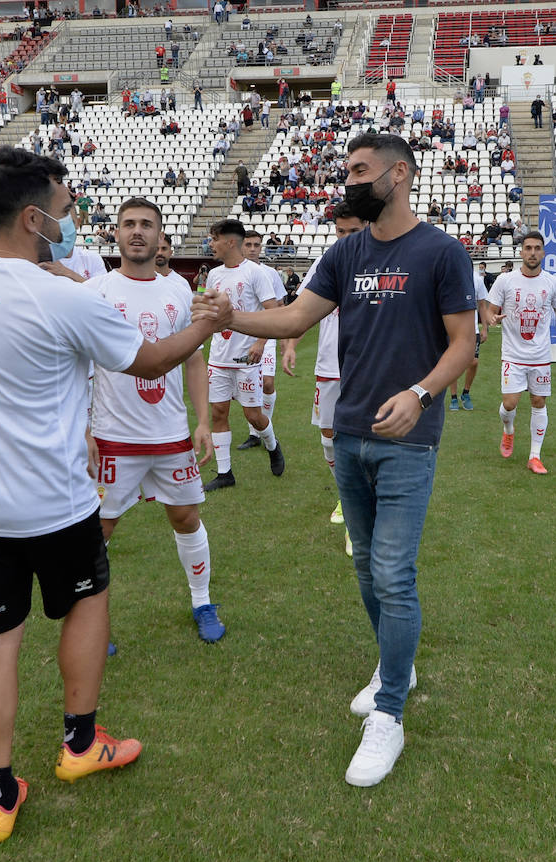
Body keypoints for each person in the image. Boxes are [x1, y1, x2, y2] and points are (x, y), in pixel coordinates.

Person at [0, 147, 226, 844]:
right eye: (64, 211)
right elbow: (148, 359)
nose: (72, 223)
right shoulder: (57, 293)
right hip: (50, 498)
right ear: (32, 217)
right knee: (88, 601)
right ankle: (80, 744)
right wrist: (207, 324)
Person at [192, 133, 477, 788]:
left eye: (359, 170)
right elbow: (294, 320)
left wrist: (421, 391)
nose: (347, 179)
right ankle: (393, 662)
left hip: (409, 437)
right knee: (366, 570)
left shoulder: (440, 250)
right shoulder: (345, 251)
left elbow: (464, 342)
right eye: (346, 169)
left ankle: (390, 711)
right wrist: (229, 318)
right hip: (348, 433)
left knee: (393, 571)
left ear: (398, 174)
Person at [85, 198, 224, 643]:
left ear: (161, 236)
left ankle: (202, 601)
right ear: (117, 233)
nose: (137, 231)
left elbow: (194, 359)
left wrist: (203, 421)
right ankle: (94, 622)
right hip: (112, 435)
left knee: (186, 517)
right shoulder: (96, 293)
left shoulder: (178, 291)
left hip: (169, 434)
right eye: (128, 224)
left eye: (147, 224)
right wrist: (83, 428)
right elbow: (76, 368)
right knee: (100, 529)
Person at [282, 203, 366, 556]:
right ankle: (346, 498)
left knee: (365, 440)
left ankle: (356, 516)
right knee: (329, 439)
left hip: (368, 366)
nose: (345, 239)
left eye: (353, 232)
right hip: (330, 365)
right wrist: (290, 346)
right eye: (340, 232)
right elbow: (304, 308)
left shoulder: (382, 261)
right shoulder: (328, 261)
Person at [481, 233, 556, 474]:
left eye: (537, 248)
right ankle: (508, 431)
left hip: (540, 356)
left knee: (538, 401)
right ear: (521, 252)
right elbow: (488, 311)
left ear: (543, 252)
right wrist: (492, 318)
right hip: (513, 355)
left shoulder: (552, 283)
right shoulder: (505, 280)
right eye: (528, 248)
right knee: (509, 403)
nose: (532, 252)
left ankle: (534, 457)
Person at [201, 218, 285, 491]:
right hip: (219, 358)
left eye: (213, 239)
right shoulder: (214, 275)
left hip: (246, 359)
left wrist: (260, 342)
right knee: (218, 412)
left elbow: (273, 312)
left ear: (229, 242)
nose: (210, 244)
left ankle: (272, 445)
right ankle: (225, 473)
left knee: (253, 415)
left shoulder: (255, 273)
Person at [234, 231, 289, 452]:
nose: (253, 248)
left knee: (266, 383)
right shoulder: (235, 273)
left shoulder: (270, 274)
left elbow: (280, 307)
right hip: (242, 338)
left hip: (266, 336)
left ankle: (265, 427)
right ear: (241, 247)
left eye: (257, 245)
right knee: (249, 388)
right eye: (248, 244)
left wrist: (284, 338)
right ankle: (254, 433)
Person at [448, 262, 490, 411]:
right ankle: (453, 397)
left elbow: (482, 306)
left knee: (473, 362)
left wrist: (484, 328)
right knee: (453, 363)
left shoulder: (477, 280)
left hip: (472, 330)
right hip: (453, 329)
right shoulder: (450, 277)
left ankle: (465, 393)